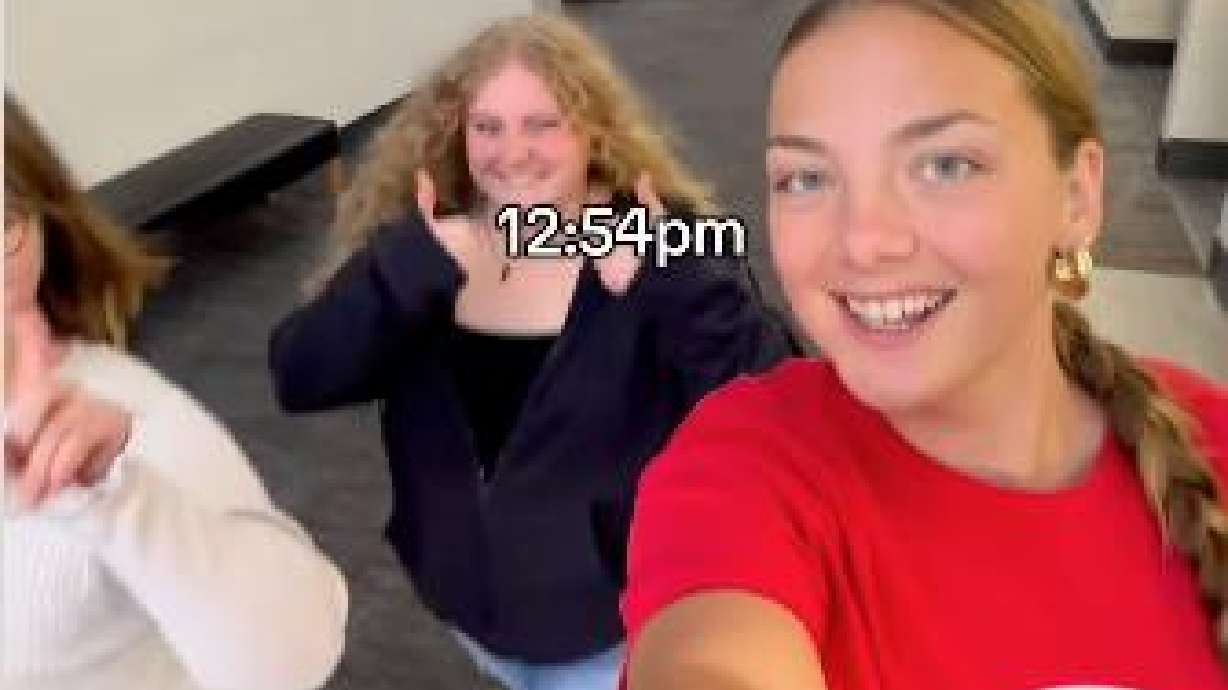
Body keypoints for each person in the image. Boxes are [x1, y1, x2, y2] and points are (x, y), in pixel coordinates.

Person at [622, 1, 1228, 688]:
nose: (863, 241)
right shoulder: (747, 466)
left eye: (944, 165)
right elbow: (710, 657)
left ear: (1077, 197)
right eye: (806, 178)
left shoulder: (1208, 441)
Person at [268, 13, 793, 690]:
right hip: (477, 611)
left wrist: (669, 284)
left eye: (542, 124)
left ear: (592, 131)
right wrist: (403, 269)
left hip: (620, 632)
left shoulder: (670, 239)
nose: (512, 152)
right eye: (489, 127)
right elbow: (299, 375)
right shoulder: (424, 251)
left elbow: (778, 403)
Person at [3, 94, 348, 690]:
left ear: (40, 233)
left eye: (2, 223)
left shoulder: (129, 426)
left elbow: (297, 656)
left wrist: (113, 503)